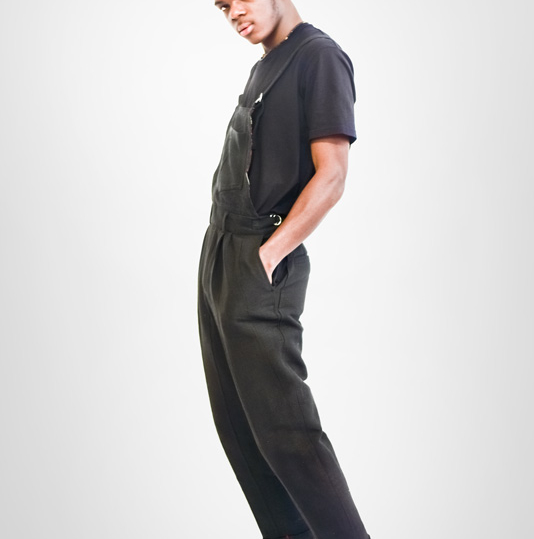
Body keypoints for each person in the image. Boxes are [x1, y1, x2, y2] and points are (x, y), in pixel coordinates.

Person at [197, 1, 370, 538]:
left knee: (289, 435)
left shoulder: (318, 57)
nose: (233, 13)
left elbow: (332, 174)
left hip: (260, 256)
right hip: (222, 255)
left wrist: (269, 255)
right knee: (241, 431)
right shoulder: (265, 63)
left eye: (239, 0)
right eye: (223, 6)